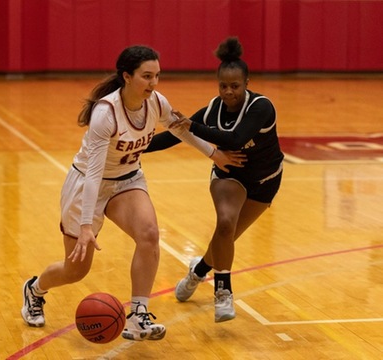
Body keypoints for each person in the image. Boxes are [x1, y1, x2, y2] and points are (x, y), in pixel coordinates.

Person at [21, 44, 242, 341]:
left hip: (127, 180)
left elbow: (179, 129)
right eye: (146, 76)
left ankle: (138, 317)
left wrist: (212, 152)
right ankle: (35, 289)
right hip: (88, 183)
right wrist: (86, 225)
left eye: (157, 76)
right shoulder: (106, 113)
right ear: (127, 76)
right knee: (75, 270)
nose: (153, 83)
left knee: (150, 234)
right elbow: (95, 174)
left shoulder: (157, 102)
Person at [144, 36, 284, 322]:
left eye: (235, 86)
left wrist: (194, 126)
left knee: (226, 238)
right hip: (229, 176)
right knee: (224, 223)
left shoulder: (261, 107)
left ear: (247, 83)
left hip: (267, 179)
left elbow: (236, 138)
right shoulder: (213, 109)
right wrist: (136, 145)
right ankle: (224, 293)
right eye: (223, 86)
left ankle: (197, 271)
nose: (229, 92)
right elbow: (175, 135)